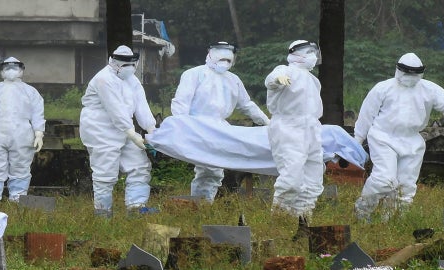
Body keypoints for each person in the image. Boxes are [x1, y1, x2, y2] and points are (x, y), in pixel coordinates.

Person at [353, 52, 444, 222]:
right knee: (384, 179)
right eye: (407, 72)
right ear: (398, 70)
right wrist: (357, 140)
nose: (410, 77)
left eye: (414, 73)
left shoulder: (429, 89)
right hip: (383, 137)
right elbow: (367, 115)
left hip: (412, 141)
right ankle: (362, 212)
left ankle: (392, 222)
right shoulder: (383, 88)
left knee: (406, 186)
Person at [171, 41, 270, 203]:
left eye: (228, 61)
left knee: (215, 170)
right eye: (221, 60)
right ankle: (199, 205)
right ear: (210, 55)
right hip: (197, 126)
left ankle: (202, 204)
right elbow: (181, 102)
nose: (224, 64)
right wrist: (182, 127)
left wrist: (267, 122)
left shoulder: (233, 80)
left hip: (221, 129)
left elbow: (246, 104)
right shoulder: (194, 74)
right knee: (208, 168)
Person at [80, 45, 158, 217]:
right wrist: (133, 134)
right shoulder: (103, 79)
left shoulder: (132, 80)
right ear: (113, 62)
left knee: (140, 166)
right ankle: (103, 214)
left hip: (125, 129)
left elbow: (141, 106)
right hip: (100, 130)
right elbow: (115, 110)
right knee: (105, 173)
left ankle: (137, 208)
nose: (129, 67)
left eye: (131, 63)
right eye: (124, 64)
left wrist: (151, 130)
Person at [264, 40, 324, 218]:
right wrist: (277, 79)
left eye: (314, 52)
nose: (313, 56)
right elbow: (270, 80)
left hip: (312, 129)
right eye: (309, 52)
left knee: (313, 179)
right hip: (288, 127)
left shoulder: (313, 80)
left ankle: (303, 219)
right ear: (296, 53)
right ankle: (280, 218)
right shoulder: (285, 70)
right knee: (291, 178)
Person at [0, 57, 45, 204]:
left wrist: (39, 133)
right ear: (1, 71)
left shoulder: (30, 92)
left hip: (22, 135)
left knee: (20, 166)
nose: (11, 70)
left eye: (15, 67)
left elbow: (38, 114)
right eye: (7, 68)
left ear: (21, 70)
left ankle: (17, 199)